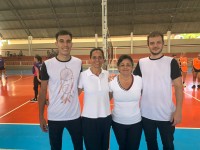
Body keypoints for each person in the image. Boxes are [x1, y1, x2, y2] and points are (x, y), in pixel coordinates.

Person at [133, 31, 183, 150]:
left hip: (166, 115)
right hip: (146, 114)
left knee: (168, 145)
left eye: (158, 42)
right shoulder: (141, 62)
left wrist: (179, 111)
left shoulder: (171, 62)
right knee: (151, 144)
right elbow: (134, 83)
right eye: (152, 43)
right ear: (148, 45)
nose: (155, 45)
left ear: (163, 44)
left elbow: (178, 86)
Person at [38, 30, 83, 150]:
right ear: (56, 43)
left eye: (68, 41)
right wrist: (41, 116)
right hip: (55, 117)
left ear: (72, 44)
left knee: (79, 147)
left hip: (75, 116)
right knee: (56, 148)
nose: (65, 45)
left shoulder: (78, 63)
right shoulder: (47, 65)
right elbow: (42, 92)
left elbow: (79, 87)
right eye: (61, 41)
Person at [78, 47, 112, 150]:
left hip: (106, 118)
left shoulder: (106, 74)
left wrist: (103, 102)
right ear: (90, 59)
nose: (97, 60)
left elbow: (110, 94)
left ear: (103, 59)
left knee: (104, 147)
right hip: (89, 119)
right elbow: (75, 95)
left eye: (100, 57)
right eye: (94, 57)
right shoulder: (83, 75)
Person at [109, 54, 142, 150]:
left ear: (132, 67)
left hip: (136, 122)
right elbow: (106, 100)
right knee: (122, 147)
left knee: (133, 147)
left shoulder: (140, 80)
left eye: (128, 65)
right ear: (118, 67)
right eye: (122, 65)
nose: (125, 67)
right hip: (118, 122)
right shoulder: (112, 82)